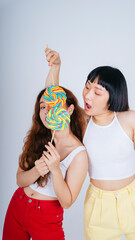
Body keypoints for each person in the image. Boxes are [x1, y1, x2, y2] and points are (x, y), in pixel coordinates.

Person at [45, 49, 135, 240]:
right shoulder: (83, 120)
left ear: (112, 98)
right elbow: (52, 98)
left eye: (97, 92)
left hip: (133, 201)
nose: (87, 96)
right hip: (98, 207)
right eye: (87, 87)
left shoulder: (130, 119)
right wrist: (56, 66)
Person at [2, 77, 88, 239]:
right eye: (42, 107)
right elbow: (20, 180)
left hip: (46, 216)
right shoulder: (38, 137)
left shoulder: (79, 154)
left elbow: (67, 202)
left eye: (54, 105)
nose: (47, 111)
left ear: (69, 110)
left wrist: (55, 170)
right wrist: (36, 171)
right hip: (18, 205)